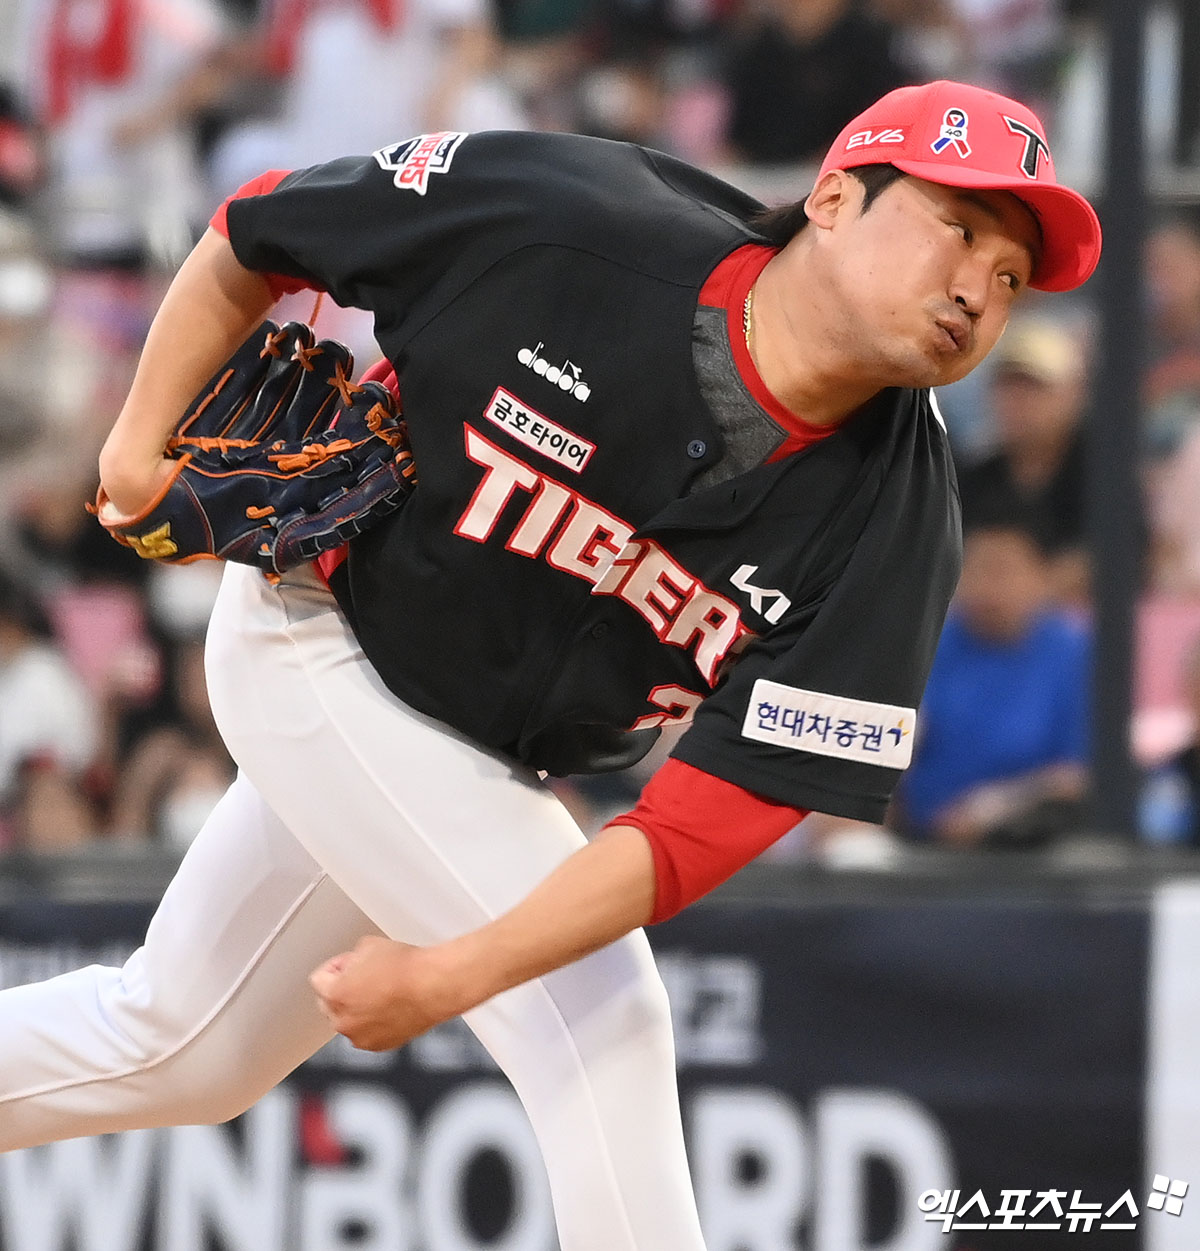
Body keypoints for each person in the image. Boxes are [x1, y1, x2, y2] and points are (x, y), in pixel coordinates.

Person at [0, 79, 1100, 1249]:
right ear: (833, 199)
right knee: (603, 1021)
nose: (978, 289)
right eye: (958, 229)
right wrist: (133, 449)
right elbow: (260, 223)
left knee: (181, 1047)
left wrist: (456, 970)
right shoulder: (576, 218)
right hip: (317, 638)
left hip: (485, 758)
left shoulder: (899, 521)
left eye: (1011, 277)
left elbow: (700, 824)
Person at [895, 507, 1091, 846]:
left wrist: (993, 808)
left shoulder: (1074, 654)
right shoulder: (926, 643)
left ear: (1042, 576)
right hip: (915, 842)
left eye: (1002, 570)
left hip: (1036, 846)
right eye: (974, 569)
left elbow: (1081, 774)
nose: (985, 587)